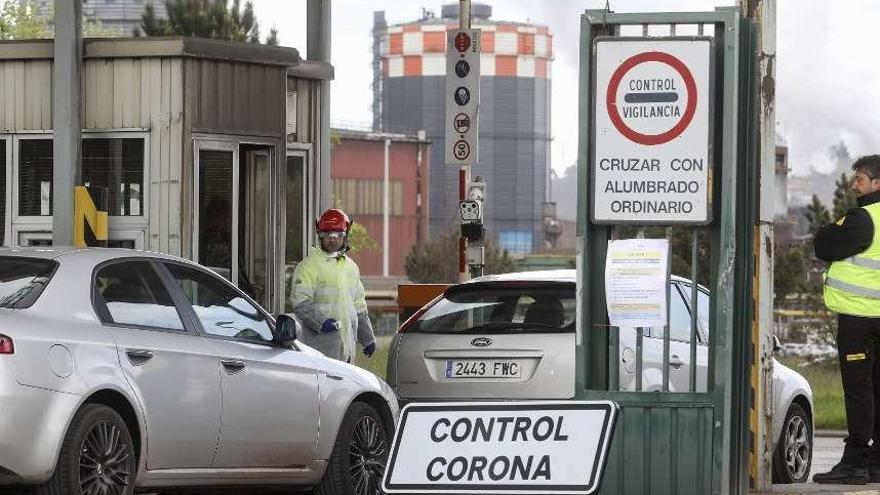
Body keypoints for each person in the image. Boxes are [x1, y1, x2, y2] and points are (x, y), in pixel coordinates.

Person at [813, 155, 880, 484]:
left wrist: (826, 230)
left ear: (876, 183)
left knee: (859, 390)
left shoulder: (863, 219)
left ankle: (855, 463)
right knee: (877, 389)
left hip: (859, 318)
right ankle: (877, 463)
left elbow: (823, 244)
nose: (855, 184)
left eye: (861, 179)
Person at [290, 208, 376, 363]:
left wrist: (367, 337)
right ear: (320, 235)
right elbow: (301, 303)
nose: (332, 239)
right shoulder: (309, 266)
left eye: (337, 235)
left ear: (345, 236)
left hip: (348, 348)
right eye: (328, 234)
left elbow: (359, 307)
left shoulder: (351, 267)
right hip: (319, 348)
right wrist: (321, 322)